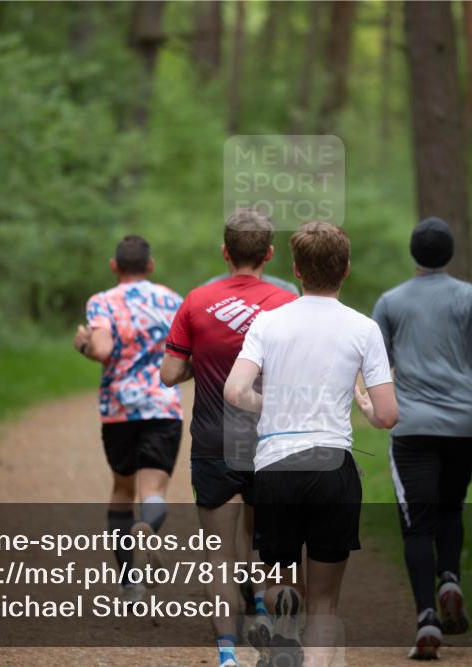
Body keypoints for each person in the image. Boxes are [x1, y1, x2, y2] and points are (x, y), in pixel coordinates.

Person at [224, 221, 398, 667]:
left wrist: (270, 403)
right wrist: (365, 407)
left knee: (281, 579)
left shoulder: (268, 322)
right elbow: (387, 415)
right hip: (331, 465)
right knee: (324, 602)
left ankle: (284, 619)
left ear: (297, 270)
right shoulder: (364, 328)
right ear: (346, 268)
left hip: (276, 466)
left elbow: (235, 391)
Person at [160, 208, 298, 667]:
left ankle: (227, 655)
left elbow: (168, 374)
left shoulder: (196, 301)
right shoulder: (288, 303)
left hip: (214, 441)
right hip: (272, 441)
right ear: (269, 254)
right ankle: (274, 623)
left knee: (218, 554)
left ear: (225, 252)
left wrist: (202, 359)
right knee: (276, 550)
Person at [371, 217, 472, 660]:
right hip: (465, 423)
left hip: (413, 426)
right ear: (449, 253)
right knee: (451, 506)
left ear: (414, 253)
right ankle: (449, 578)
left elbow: (377, 364)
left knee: (417, 523)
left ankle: (427, 618)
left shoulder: (391, 302)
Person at [74, 234, 184, 603]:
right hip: (162, 406)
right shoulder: (172, 300)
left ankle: (129, 584)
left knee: (122, 489)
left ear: (114, 266)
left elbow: (102, 348)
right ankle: (148, 526)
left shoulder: (102, 301)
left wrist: (83, 344)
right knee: (153, 491)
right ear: (150, 266)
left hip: (119, 409)